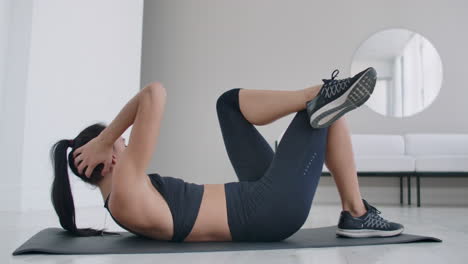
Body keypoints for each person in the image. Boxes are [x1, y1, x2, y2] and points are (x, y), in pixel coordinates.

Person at [49, 67, 404, 242]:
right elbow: (154, 94)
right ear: (107, 158)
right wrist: (105, 137)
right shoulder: (123, 190)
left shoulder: (122, 196)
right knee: (322, 114)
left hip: (255, 195)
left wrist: (105, 141)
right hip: (269, 209)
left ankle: (322, 94)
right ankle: (356, 212)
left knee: (228, 105)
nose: (124, 141)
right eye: (119, 143)